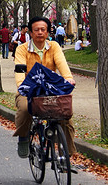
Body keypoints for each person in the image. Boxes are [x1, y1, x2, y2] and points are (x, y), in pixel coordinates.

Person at [13, 16, 77, 161]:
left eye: (43, 29)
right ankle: (23, 136)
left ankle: (67, 153)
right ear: (30, 32)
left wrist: (68, 78)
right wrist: (22, 87)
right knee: (24, 108)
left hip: (50, 88)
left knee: (65, 113)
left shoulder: (54, 46)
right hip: (28, 88)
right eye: (36, 30)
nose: (40, 32)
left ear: (48, 32)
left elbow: (62, 64)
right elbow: (19, 71)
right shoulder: (21, 49)